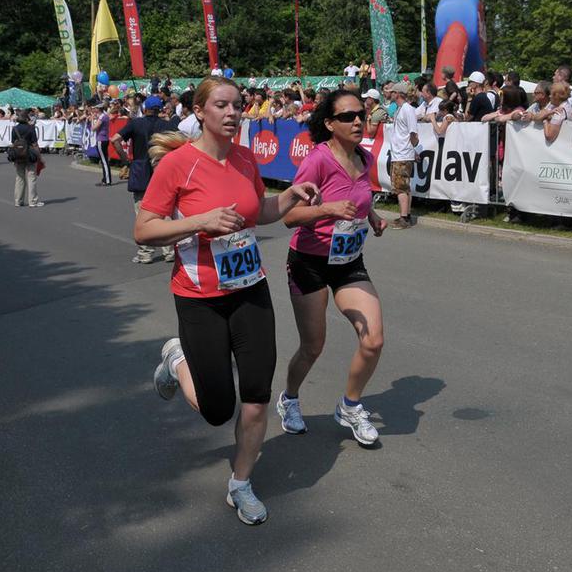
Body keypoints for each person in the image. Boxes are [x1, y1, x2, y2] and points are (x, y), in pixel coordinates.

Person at [137, 76, 320, 526]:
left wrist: (289, 198)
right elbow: (144, 229)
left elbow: (260, 212)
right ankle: (176, 357)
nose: (234, 112)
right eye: (222, 104)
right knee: (219, 410)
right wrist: (200, 220)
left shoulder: (244, 158)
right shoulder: (178, 165)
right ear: (200, 111)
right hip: (199, 296)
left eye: (239, 104)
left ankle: (241, 484)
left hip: (249, 289)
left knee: (256, 398)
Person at [276, 90, 387, 443]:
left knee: (373, 340)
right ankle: (289, 398)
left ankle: (350, 406)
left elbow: (358, 197)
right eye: (348, 116)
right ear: (329, 124)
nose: (357, 120)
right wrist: (327, 210)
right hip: (309, 261)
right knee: (313, 346)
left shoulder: (365, 159)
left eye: (361, 114)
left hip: (348, 260)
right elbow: (289, 216)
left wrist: (371, 215)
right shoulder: (317, 161)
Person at [111, 95, 178, 264]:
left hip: (140, 169)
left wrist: (125, 160)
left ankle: (146, 253)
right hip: (161, 170)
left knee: (142, 212)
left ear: (145, 108)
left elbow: (115, 139)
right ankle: (170, 251)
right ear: (160, 109)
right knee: (165, 211)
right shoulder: (167, 125)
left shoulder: (136, 123)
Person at [387, 82, 419, 229]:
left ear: (398, 94)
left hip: (403, 154)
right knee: (404, 187)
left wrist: (412, 148)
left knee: (400, 188)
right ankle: (406, 215)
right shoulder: (400, 109)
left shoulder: (407, 109)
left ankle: (404, 218)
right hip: (399, 153)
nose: (390, 94)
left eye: (392, 92)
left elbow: (413, 133)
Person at [10, 111, 42, 207]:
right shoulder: (31, 128)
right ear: (26, 118)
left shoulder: (15, 129)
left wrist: (14, 157)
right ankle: (32, 201)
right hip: (30, 154)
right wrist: (38, 155)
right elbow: (35, 144)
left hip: (18, 155)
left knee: (19, 177)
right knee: (31, 177)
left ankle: (18, 201)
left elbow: (13, 143)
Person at [90, 103, 112, 186]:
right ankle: (105, 179)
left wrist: (92, 119)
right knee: (104, 160)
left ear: (98, 109)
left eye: (95, 108)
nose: (94, 110)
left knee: (104, 161)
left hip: (101, 140)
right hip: (104, 139)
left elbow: (93, 128)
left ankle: (107, 180)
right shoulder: (104, 116)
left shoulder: (103, 117)